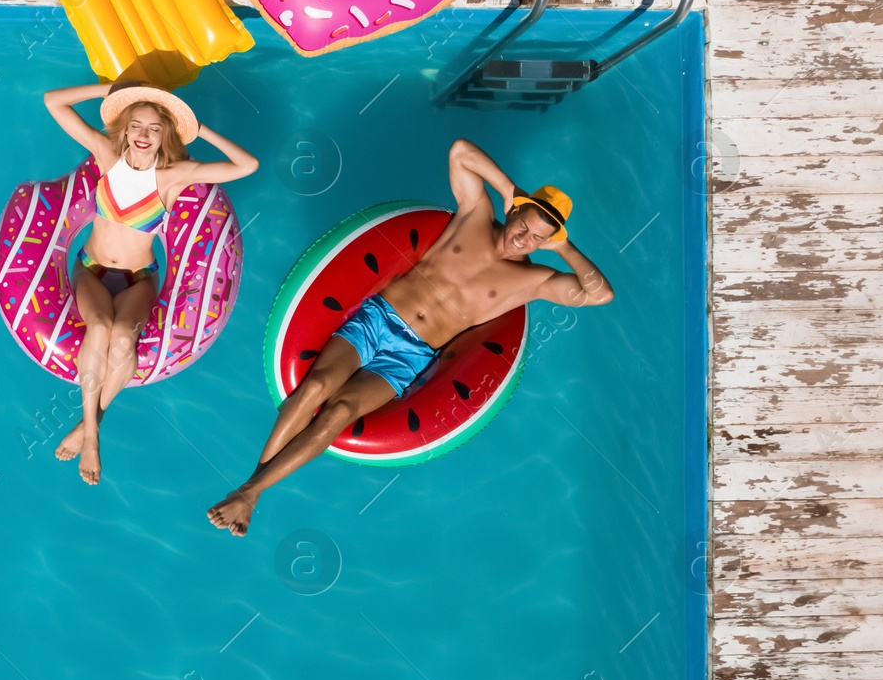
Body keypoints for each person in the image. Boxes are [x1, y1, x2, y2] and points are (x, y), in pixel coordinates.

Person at [207, 138, 616, 535]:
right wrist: (511, 190)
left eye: (536, 238)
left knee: (339, 412)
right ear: (513, 213)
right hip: (378, 318)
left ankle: (250, 492)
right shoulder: (475, 213)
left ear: (547, 244)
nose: (522, 238)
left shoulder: (535, 279)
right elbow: (460, 150)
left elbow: (600, 294)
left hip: (410, 355)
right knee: (316, 386)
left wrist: (563, 246)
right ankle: (249, 491)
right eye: (522, 224)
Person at [42, 79, 259, 485]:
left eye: (154, 128)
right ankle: (91, 434)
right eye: (136, 125)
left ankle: (90, 425)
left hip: (139, 278)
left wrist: (198, 128)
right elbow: (52, 100)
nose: (143, 135)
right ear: (124, 129)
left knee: (123, 335)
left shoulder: (175, 175)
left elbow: (247, 166)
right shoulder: (106, 154)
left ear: (166, 136)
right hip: (90, 269)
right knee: (101, 327)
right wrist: (110, 88)